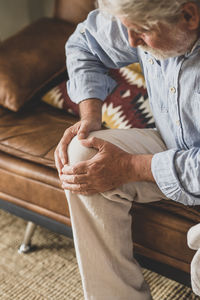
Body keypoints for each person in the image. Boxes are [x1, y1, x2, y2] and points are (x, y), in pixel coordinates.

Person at [54, 0, 200, 299]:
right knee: (84, 156)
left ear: (189, 15)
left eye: (143, 32)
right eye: (126, 29)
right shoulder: (139, 24)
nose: (132, 43)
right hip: (175, 146)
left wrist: (131, 166)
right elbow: (84, 42)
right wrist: (90, 116)